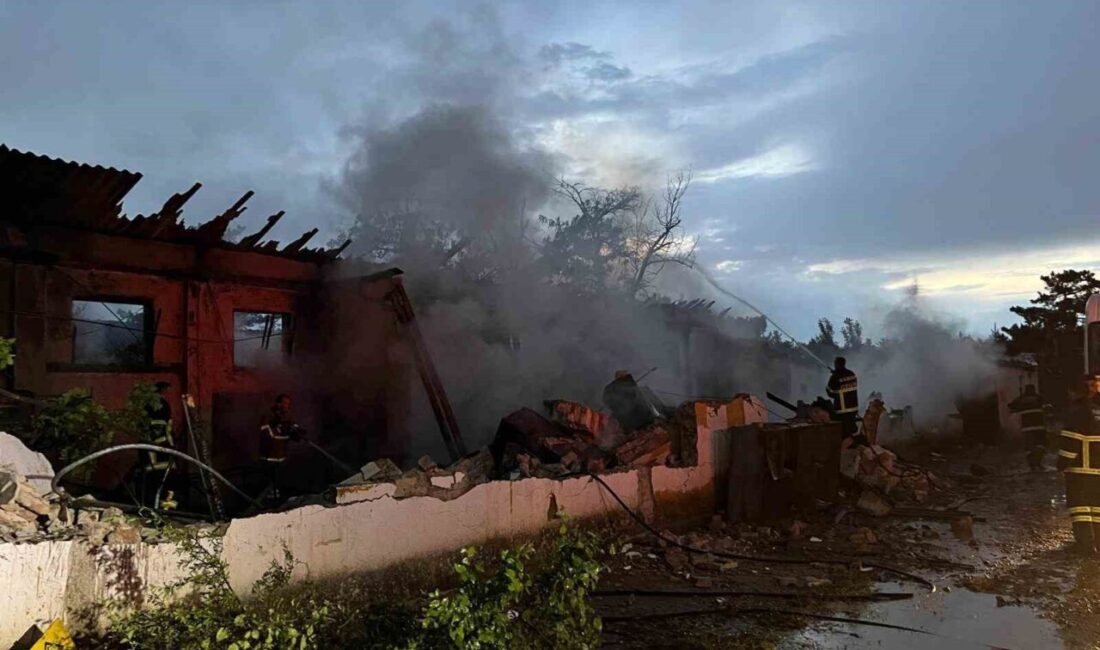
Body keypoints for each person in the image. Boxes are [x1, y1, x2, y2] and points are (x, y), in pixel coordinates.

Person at [1059, 377, 1100, 552]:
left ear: (1075, 392)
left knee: (1080, 507)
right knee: (1097, 508)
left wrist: (1061, 463)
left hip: (1081, 468)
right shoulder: (1097, 410)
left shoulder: (1077, 412)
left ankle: (1084, 545)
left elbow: (1071, 441)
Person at [259, 393, 304, 501]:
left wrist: (299, 432)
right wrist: (288, 436)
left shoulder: (287, 416)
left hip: (281, 456)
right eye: (284, 403)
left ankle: (278, 502)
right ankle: (267, 505)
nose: (286, 406)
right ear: (277, 403)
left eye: (288, 404)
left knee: (279, 483)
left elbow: (294, 427)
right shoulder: (268, 416)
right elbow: (269, 436)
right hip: (269, 457)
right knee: (269, 486)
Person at [1009, 384, 1049, 470]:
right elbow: (1048, 406)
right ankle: (1038, 463)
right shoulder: (1039, 398)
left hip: (1027, 428)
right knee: (1041, 445)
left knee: (1029, 448)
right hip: (1039, 427)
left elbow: (1011, 406)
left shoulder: (1020, 400)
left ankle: (1032, 466)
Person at [827, 357, 863, 447]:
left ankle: (849, 445)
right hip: (853, 407)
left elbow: (830, 392)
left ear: (836, 364)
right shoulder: (852, 374)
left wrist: (834, 376)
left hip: (842, 409)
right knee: (851, 426)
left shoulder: (835, 377)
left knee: (844, 430)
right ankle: (856, 441)